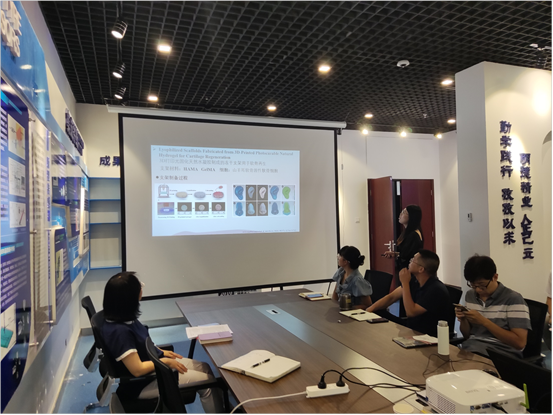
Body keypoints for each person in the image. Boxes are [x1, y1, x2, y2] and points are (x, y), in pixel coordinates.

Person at [101, 272, 225, 413]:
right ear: (130, 298)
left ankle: (222, 407)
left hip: (157, 368)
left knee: (205, 367)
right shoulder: (119, 332)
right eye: (139, 287)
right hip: (144, 384)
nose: (141, 289)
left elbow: (143, 343)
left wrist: (161, 352)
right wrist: (165, 362)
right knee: (208, 383)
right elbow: (137, 370)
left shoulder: (124, 317)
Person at [455, 255, 531, 358]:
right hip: (472, 348)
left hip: (502, 353)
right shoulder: (470, 295)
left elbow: (519, 343)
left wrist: (484, 321)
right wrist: (463, 319)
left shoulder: (513, 299)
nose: (478, 290)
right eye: (473, 285)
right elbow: (467, 335)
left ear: (495, 277)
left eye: (482, 285)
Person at [366, 249, 449, 337]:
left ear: (421, 269)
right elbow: (391, 297)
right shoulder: (415, 281)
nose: (410, 262)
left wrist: (405, 283)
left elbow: (411, 312)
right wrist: (367, 311)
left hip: (426, 334)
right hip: (411, 326)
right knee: (377, 310)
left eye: (413, 260)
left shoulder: (436, 289)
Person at [383, 205, 424, 287]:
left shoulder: (413, 235)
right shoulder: (408, 233)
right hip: (405, 270)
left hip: (409, 272)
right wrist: (395, 254)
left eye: (404, 212)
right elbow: (406, 252)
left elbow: (408, 255)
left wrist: (398, 255)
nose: (400, 214)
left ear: (412, 216)